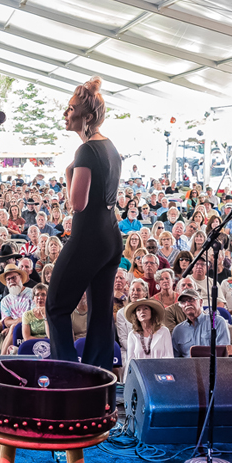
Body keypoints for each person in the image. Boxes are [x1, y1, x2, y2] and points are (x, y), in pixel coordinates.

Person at [43, 77, 123, 372]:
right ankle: (96, 377)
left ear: (86, 117)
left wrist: (68, 175)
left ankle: (67, 375)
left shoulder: (86, 151)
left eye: (70, 109)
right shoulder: (110, 147)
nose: (66, 113)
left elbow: (77, 203)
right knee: (100, 314)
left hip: (89, 237)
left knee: (56, 306)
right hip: (110, 237)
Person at [172, 288, 230, 357]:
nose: (187, 304)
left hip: (212, 366)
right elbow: (176, 359)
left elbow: (223, 353)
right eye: (183, 302)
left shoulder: (217, 322)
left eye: (191, 300)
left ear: (201, 302)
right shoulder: (178, 330)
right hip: (187, 367)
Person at [124, 298, 173, 368]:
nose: (142, 312)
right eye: (138, 310)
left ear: (152, 312)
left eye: (145, 308)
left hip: (161, 373)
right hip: (140, 376)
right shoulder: (132, 335)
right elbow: (130, 362)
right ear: (136, 315)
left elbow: (169, 357)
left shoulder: (164, 331)